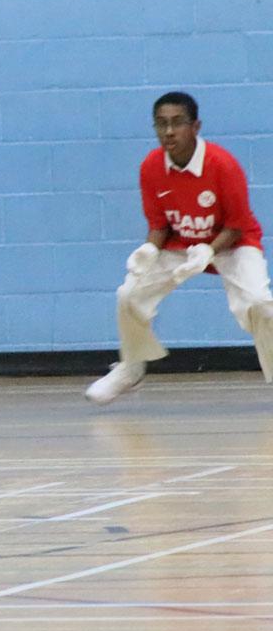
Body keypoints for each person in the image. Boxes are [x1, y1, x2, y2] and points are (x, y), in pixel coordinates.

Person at [85, 91, 273, 404]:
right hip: (180, 245)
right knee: (129, 293)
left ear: (195, 126)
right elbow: (160, 225)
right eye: (161, 124)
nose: (169, 132)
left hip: (232, 243)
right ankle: (130, 369)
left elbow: (237, 224)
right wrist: (148, 251)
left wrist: (209, 251)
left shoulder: (222, 164)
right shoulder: (151, 167)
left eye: (177, 123)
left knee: (259, 303)